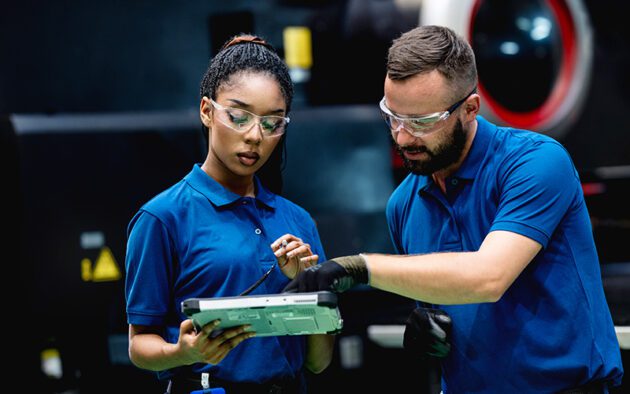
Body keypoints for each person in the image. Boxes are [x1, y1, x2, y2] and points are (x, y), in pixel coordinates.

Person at [283, 25, 624, 393]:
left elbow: (489, 277)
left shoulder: (535, 162)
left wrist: (360, 267)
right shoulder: (404, 204)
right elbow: (442, 295)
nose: (402, 136)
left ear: (470, 109)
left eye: (421, 122)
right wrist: (428, 325)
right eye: (393, 116)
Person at [125, 34, 334, 394]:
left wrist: (307, 281)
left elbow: (318, 361)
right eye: (238, 117)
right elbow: (139, 345)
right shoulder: (163, 218)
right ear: (206, 111)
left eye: (272, 124)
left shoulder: (298, 222)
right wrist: (182, 351)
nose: (255, 136)